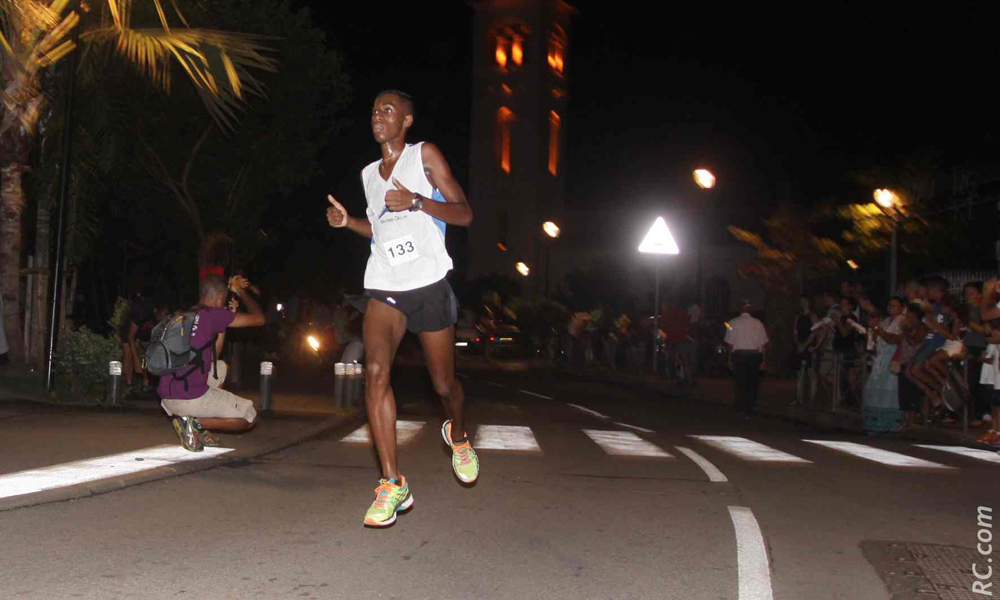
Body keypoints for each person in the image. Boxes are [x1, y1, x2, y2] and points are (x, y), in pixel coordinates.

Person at [325, 89, 477, 527]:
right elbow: (380, 231)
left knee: (444, 385)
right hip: (386, 283)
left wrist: (417, 201)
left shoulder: (424, 155)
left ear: (406, 121)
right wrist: (348, 222)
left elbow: (464, 213)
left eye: (387, 110)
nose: (378, 115)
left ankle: (460, 436)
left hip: (427, 282)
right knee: (375, 372)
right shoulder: (369, 174)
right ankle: (393, 483)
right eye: (374, 109)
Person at [158, 275, 264, 452]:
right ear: (220, 297)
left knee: (221, 367)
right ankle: (193, 423)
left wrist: (224, 323)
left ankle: (199, 431)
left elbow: (212, 360)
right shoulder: (213, 315)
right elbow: (259, 318)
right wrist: (240, 292)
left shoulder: (181, 316)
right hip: (189, 398)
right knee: (250, 417)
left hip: (168, 396)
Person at [862, 297, 904, 433]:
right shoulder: (885, 321)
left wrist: (879, 331)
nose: (891, 307)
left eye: (895, 305)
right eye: (889, 305)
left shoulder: (902, 321)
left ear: (901, 307)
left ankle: (890, 424)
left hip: (892, 359)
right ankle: (874, 424)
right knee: (873, 390)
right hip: (879, 360)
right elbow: (877, 338)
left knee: (889, 391)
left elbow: (894, 340)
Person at [725, 299, 769, 417]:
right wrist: (763, 360)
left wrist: (729, 359)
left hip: (739, 355)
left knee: (740, 382)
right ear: (750, 309)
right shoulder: (758, 323)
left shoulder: (732, 323)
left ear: (740, 309)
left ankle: (740, 407)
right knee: (752, 382)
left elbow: (730, 344)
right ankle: (749, 407)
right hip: (754, 355)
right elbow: (763, 344)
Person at [791, 295, 817, 406]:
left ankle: (812, 398)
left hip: (808, 346)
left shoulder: (813, 316)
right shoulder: (798, 317)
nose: (803, 303)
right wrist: (798, 344)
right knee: (799, 373)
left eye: (805, 301)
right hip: (800, 346)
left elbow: (814, 332)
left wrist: (805, 345)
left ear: (809, 303)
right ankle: (799, 398)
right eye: (801, 301)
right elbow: (795, 332)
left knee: (810, 372)